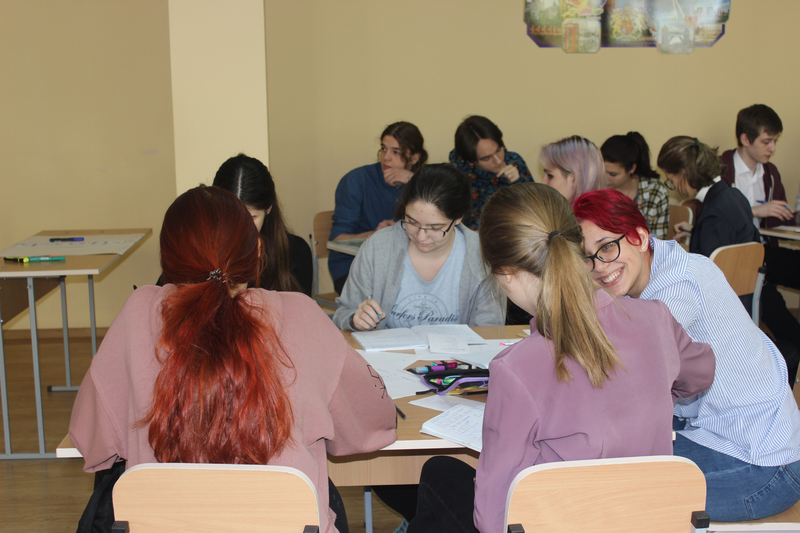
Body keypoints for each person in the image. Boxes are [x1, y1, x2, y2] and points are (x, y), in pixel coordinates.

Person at [69, 186, 397, 533]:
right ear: (258, 251)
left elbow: (92, 441)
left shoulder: (138, 313)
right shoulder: (302, 314)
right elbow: (371, 424)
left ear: (167, 259)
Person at [406, 183, 714, 533]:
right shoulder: (654, 318)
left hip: (563, 521)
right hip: (646, 520)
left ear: (504, 274)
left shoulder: (516, 368)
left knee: (437, 476)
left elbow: (492, 519)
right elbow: (702, 373)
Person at [574, 189, 800, 522]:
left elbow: (622, 381)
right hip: (720, 427)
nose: (599, 266)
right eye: (587, 257)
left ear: (640, 237)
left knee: (611, 488)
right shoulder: (659, 265)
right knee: (600, 454)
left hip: (763, 464)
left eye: (607, 246)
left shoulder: (675, 290)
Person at [332, 164, 505, 331]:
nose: (421, 236)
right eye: (412, 222)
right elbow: (343, 313)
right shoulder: (378, 247)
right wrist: (355, 319)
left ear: (458, 218)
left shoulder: (482, 256)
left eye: (435, 228)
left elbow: (490, 331)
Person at [329, 122, 428, 294]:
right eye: (383, 148)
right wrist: (375, 235)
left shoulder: (422, 183)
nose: (386, 157)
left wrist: (414, 181)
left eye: (396, 152)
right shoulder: (356, 181)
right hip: (354, 269)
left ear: (414, 158)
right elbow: (337, 240)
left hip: (403, 270)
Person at [212, 153, 313, 295]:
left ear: (268, 208)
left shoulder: (296, 252)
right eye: (232, 218)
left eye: (252, 218)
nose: (242, 228)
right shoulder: (203, 252)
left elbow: (302, 307)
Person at [448, 115, 534, 230]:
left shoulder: (514, 161)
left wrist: (519, 182)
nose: (498, 160)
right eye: (486, 158)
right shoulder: (456, 173)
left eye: (499, 150)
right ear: (470, 161)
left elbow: (536, 208)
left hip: (510, 233)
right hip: (469, 236)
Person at [601, 131, 670, 239]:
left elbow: (657, 240)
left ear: (632, 169)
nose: (605, 178)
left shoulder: (656, 192)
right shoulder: (596, 187)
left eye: (613, 174)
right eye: (602, 171)